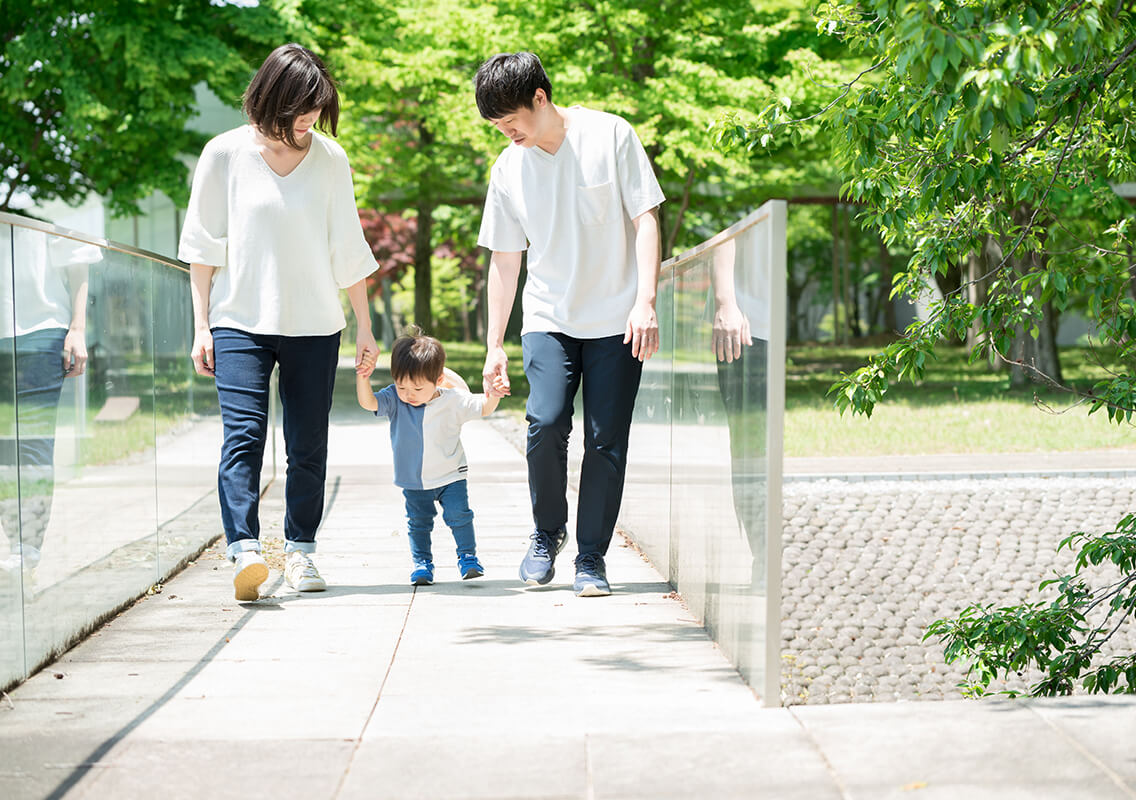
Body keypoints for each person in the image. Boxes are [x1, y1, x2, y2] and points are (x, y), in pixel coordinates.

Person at [179, 43, 379, 602]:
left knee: (308, 444)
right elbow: (202, 248)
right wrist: (201, 325)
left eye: (317, 110)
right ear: (272, 99)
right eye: (301, 110)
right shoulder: (223, 155)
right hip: (239, 321)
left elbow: (348, 247)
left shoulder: (330, 159)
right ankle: (244, 551)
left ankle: (302, 553)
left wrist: (364, 326)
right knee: (243, 435)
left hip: (315, 325)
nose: (310, 120)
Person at [474, 52, 665, 597]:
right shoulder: (508, 167)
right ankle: (546, 533)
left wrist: (644, 301)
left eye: (511, 121)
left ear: (540, 98)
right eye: (496, 127)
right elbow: (506, 260)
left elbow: (645, 218)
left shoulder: (611, 135)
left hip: (617, 317)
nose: (506, 133)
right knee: (546, 421)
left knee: (606, 440)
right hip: (548, 316)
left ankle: (591, 558)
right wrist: (493, 343)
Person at [355, 329, 506, 586]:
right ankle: (422, 564)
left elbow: (484, 407)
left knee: (460, 516)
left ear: (437, 381)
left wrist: (495, 393)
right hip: (414, 480)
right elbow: (369, 403)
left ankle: (468, 557)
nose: (408, 393)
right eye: (402, 385)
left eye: (417, 387)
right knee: (419, 523)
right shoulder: (394, 399)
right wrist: (363, 378)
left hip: (451, 476)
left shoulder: (453, 400)